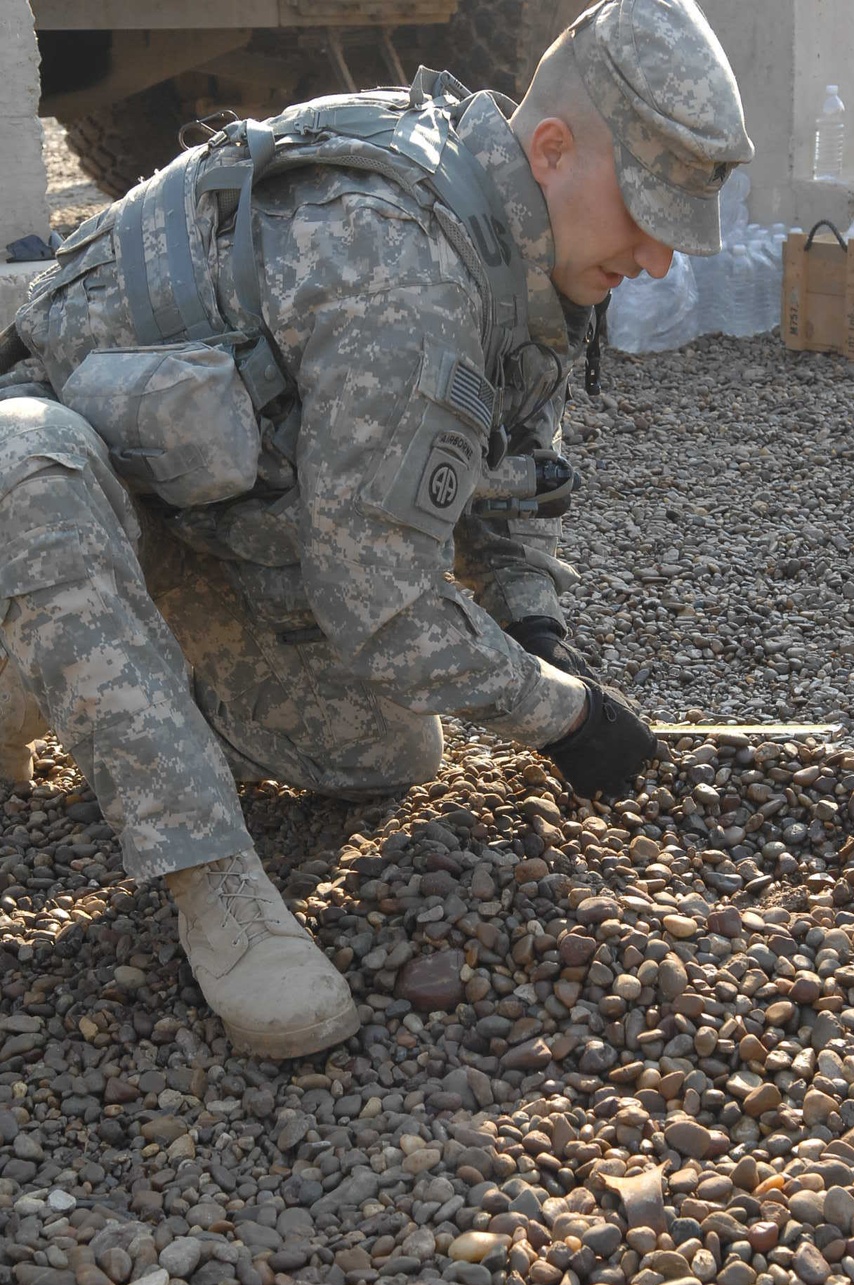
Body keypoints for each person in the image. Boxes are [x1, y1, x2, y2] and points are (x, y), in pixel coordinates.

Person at [0, 0, 753, 1059]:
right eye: (648, 211)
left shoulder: (513, 248)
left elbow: (510, 473)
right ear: (550, 150)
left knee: (388, 750)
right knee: (27, 462)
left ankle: (92, 689)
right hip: (50, 510)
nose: (662, 260)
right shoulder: (398, 266)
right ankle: (213, 885)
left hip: (192, 530)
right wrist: (563, 716)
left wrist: (531, 625)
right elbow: (381, 607)